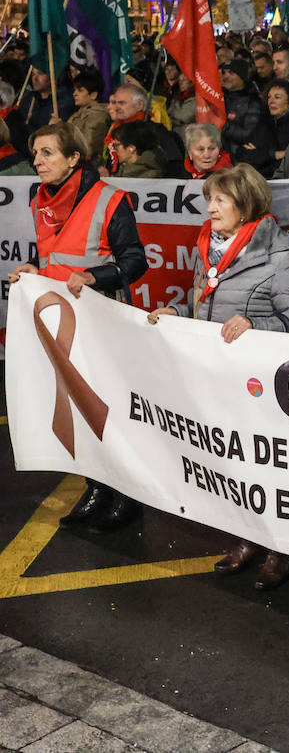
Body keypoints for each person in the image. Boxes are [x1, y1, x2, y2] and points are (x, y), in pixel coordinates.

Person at [147, 164, 289, 590]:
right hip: (222, 380)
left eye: (220, 199)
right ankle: (249, 537)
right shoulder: (211, 248)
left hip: (263, 383)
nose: (210, 207)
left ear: (247, 204)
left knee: (272, 467)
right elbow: (207, 312)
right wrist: (178, 313)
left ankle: (284, 549)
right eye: (210, 198)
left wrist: (258, 327)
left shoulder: (280, 254)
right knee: (237, 464)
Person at [8, 123, 147, 533]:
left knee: (109, 411)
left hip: (100, 321)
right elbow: (51, 254)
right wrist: (36, 270)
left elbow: (135, 261)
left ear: (73, 159)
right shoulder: (40, 198)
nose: (37, 161)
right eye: (35, 153)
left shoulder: (109, 198)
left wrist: (93, 276)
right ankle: (98, 488)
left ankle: (128, 497)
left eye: (48, 153)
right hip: (61, 323)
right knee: (78, 411)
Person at [218, 59, 274, 171]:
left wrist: (222, 125)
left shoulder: (254, 102)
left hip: (240, 163)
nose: (225, 77)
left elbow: (247, 134)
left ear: (242, 76)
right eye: (224, 73)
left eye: (231, 73)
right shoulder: (220, 98)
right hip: (220, 160)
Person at [262, 79, 289, 175]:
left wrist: (262, 155)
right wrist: (274, 154)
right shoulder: (264, 122)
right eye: (269, 97)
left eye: (277, 97)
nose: (271, 101)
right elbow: (244, 154)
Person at [67, 72, 111, 162]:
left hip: (89, 166)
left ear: (93, 95)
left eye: (80, 90)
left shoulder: (98, 115)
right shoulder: (78, 114)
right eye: (74, 90)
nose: (74, 94)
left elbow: (88, 148)